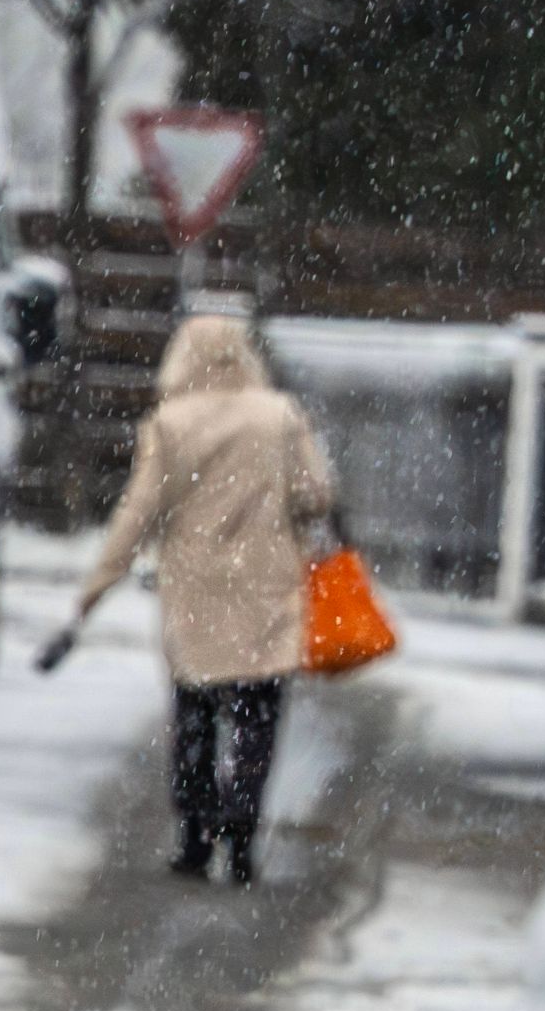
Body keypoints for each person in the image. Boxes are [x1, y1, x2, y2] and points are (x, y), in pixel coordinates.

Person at [35, 313, 338, 885]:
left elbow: (138, 514)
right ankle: (242, 827)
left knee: (194, 710)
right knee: (257, 712)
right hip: (266, 586)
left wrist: (93, 592)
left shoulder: (170, 424)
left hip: (194, 590)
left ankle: (195, 835)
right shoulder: (279, 416)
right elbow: (316, 493)